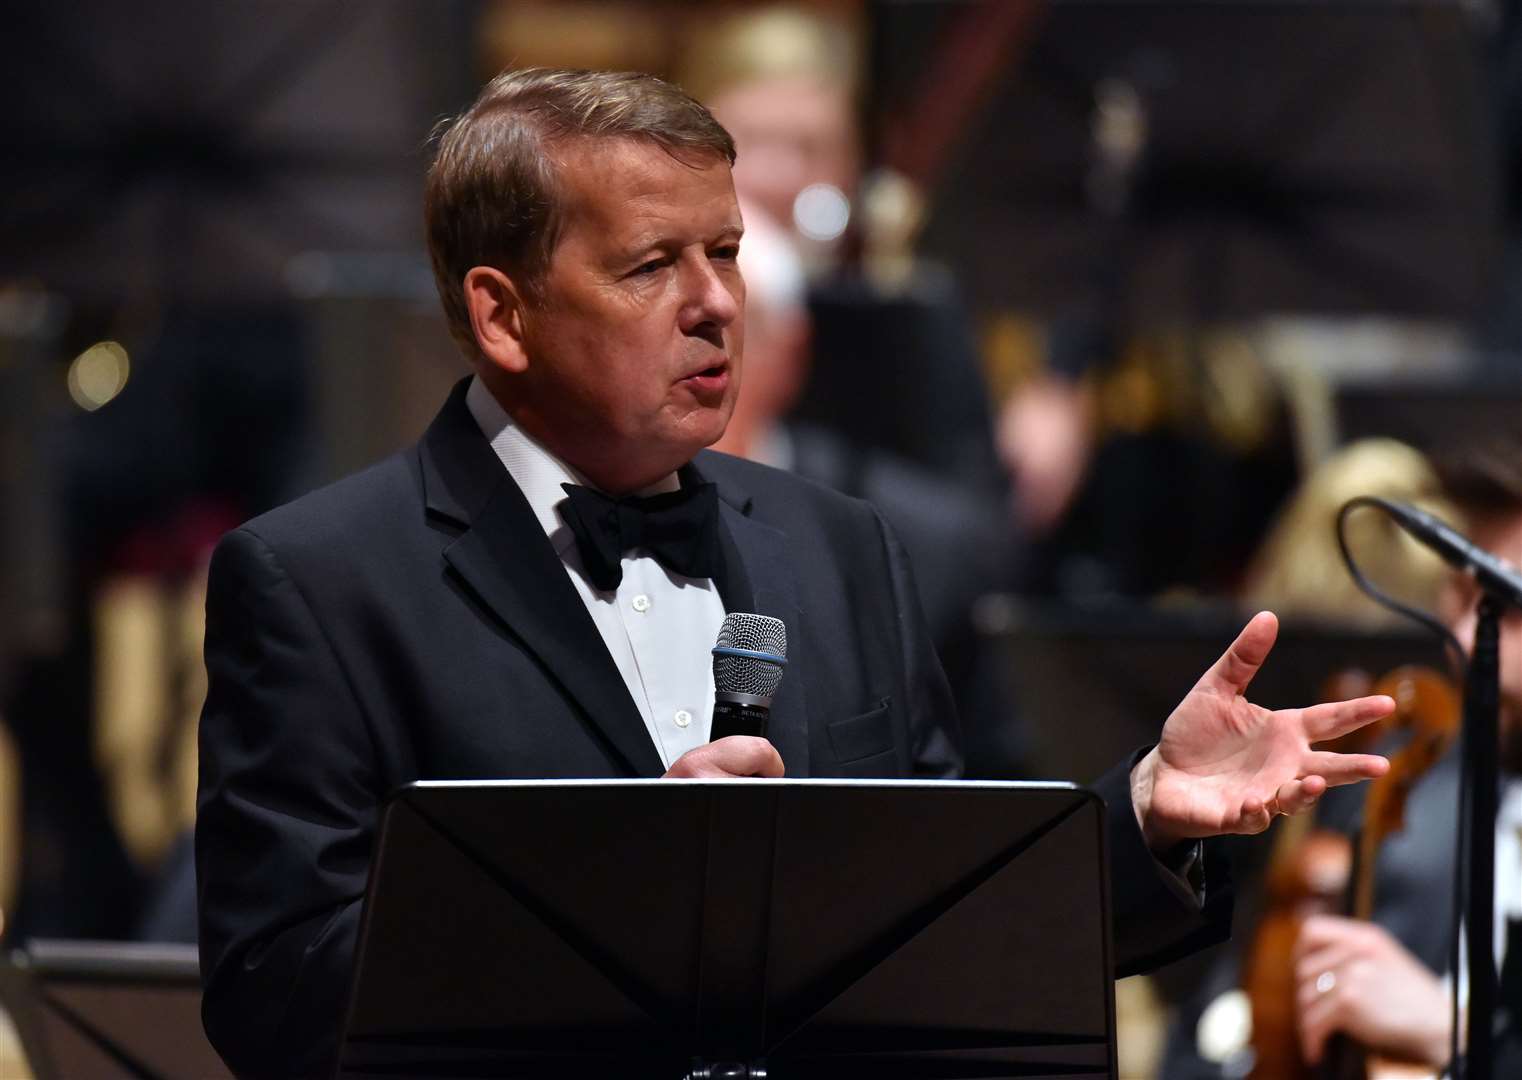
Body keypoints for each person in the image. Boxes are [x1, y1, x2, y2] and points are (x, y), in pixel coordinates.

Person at [195, 68, 1393, 1078]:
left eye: (725, 250)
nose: (719, 303)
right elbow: (274, 999)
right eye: (651, 265)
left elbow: (939, 910)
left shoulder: (839, 546)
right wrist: (631, 879)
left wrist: (1141, 813)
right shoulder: (320, 583)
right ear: (502, 316)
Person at [1159, 431, 1522, 1077]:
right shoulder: (1398, 787)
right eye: (1462, 597)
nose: (1467, 636)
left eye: (1510, 605)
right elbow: (1204, 1045)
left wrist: (1458, 1032)